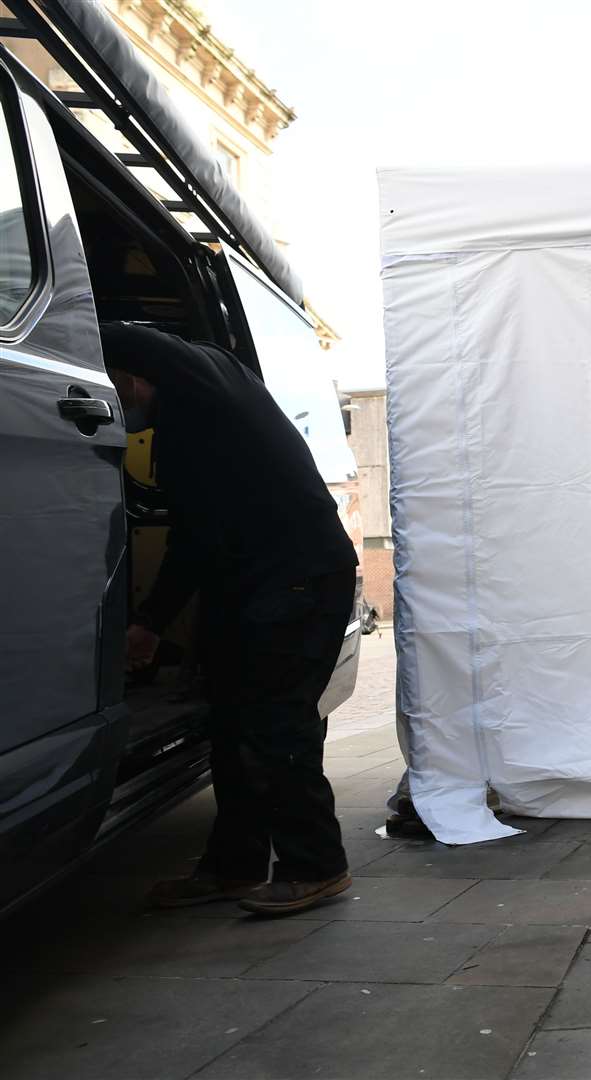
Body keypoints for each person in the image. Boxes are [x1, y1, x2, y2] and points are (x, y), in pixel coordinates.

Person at [103, 321, 357, 917]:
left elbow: (153, 348)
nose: (111, 406)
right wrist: (152, 622)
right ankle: (233, 867)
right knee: (231, 722)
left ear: (138, 375)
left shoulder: (205, 382)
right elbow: (193, 538)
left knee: (275, 723)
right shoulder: (184, 430)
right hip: (250, 581)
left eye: (113, 388)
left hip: (297, 577)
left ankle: (317, 866)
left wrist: (79, 320)